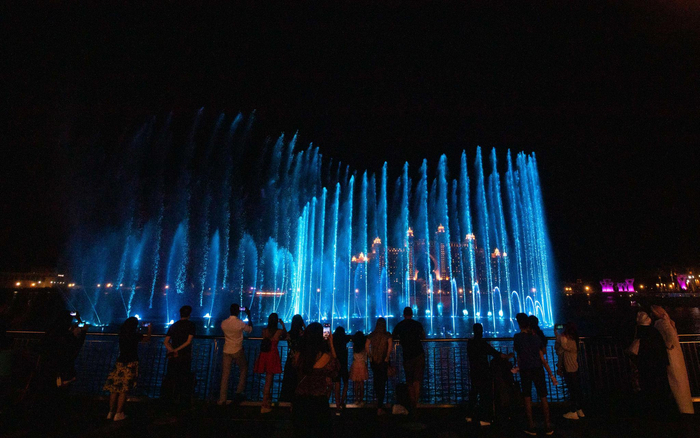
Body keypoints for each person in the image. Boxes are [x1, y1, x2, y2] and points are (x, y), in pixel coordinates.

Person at [513, 313, 557, 436]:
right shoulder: (536, 337)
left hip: (525, 369)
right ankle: (548, 425)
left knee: (527, 397)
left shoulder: (517, 337)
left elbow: (518, 353)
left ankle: (531, 426)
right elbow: (542, 352)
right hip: (538, 368)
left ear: (519, 324)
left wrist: (517, 366)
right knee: (543, 396)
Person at [293, 322, 339, 438]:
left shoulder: (298, 356)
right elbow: (336, 370)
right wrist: (331, 344)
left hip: (300, 402)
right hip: (318, 403)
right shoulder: (325, 357)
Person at [104, 316, 152, 421]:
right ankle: (119, 413)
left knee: (114, 389)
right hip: (130, 363)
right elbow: (147, 339)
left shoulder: (122, 334)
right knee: (124, 390)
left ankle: (110, 412)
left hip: (119, 362)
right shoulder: (135, 335)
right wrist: (149, 329)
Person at [466, 322, 513, 426]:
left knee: (474, 392)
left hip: (473, 370)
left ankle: (469, 415)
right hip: (483, 371)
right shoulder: (482, 344)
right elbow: (495, 353)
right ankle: (484, 418)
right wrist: (508, 356)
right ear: (481, 332)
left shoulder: (470, 343)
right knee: (485, 394)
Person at [651, 305, 694, 414]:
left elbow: (669, 338)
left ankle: (677, 408)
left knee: (673, 381)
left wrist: (668, 346)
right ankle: (685, 407)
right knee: (680, 381)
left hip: (669, 355)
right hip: (676, 354)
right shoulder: (669, 322)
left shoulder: (660, 323)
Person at [634, 311, 674, 419]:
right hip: (657, 363)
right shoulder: (653, 332)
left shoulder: (639, 332)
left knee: (648, 386)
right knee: (660, 386)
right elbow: (661, 347)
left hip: (645, 364)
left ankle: (650, 409)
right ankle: (661, 410)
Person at [218, 303, 253, 405]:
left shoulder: (224, 323)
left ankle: (222, 399)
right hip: (237, 349)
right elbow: (250, 330)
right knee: (244, 368)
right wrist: (249, 316)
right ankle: (239, 392)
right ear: (238, 311)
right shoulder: (240, 323)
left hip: (226, 350)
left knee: (225, 375)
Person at [392, 306, 425, 411]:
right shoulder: (417, 324)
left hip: (407, 355)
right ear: (412, 314)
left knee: (409, 381)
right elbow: (423, 336)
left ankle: (412, 403)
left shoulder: (399, 325)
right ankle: (416, 402)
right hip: (419, 354)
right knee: (417, 381)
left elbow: (393, 336)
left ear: (403, 315)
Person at [163, 305, 196, 408]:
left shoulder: (174, 325)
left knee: (172, 377)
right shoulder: (191, 325)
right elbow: (188, 341)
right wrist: (177, 350)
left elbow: (166, 342)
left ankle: (169, 401)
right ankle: (181, 402)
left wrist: (172, 350)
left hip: (173, 357)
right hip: (185, 355)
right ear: (189, 314)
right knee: (183, 378)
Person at [254, 313, 286, 413]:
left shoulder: (264, 331)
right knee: (269, 380)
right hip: (272, 355)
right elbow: (286, 335)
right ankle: (264, 405)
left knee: (268, 380)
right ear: (276, 321)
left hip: (264, 354)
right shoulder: (279, 331)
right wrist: (283, 324)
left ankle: (267, 402)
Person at [555, 322, 584, 420]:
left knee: (571, 389)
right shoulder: (575, 340)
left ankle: (573, 411)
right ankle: (579, 410)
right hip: (574, 367)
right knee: (576, 389)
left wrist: (558, 335)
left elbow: (560, 348)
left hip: (569, 368)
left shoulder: (566, 342)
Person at [368, 317, 393, 415]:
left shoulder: (372, 335)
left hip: (374, 361)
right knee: (382, 383)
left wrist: (370, 356)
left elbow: (366, 345)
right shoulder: (387, 335)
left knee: (376, 381)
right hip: (383, 361)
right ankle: (379, 407)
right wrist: (387, 357)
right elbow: (390, 346)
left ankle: (377, 401)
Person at [280, 314, 305, 403]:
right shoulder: (302, 334)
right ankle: (298, 401)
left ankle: (287, 400)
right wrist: (304, 325)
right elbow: (308, 335)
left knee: (289, 380)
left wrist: (283, 325)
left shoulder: (290, 334)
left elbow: (284, 335)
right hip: (301, 360)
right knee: (299, 380)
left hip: (291, 359)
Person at [332, 326, 350, 413]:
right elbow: (349, 337)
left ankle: (337, 404)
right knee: (346, 383)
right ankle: (342, 401)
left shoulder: (333, 339)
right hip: (344, 364)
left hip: (336, 364)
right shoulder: (344, 339)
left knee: (337, 384)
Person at [349, 331, 369, 407]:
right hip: (362, 364)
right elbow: (365, 356)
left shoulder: (354, 345)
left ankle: (356, 399)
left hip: (355, 364)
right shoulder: (364, 346)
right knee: (362, 384)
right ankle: (361, 399)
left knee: (356, 384)